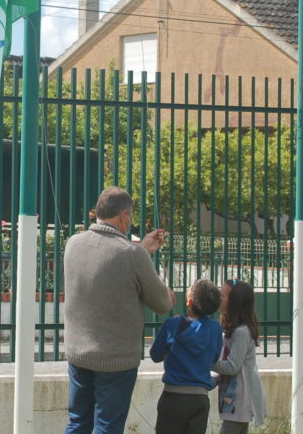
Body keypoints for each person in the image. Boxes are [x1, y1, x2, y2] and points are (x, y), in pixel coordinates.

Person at [62, 186, 175, 434]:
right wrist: (167, 291)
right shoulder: (131, 254)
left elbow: (106, 268)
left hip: (78, 353)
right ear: (124, 216)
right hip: (115, 360)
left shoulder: (73, 244)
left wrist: (142, 249)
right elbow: (162, 304)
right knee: (107, 427)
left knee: (78, 422)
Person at [149, 279, 224, 434]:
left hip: (173, 396)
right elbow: (215, 358)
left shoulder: (172, 325)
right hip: (200, 397)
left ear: (189, 302)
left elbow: (155, 355)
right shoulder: (216, 328)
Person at [212, 279, 268, 433]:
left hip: (240, 401)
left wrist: (207, 361)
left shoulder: (241, 332)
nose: (219, 298)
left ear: (235, 302)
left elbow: (231, 367)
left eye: (223, 295)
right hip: (233, 400)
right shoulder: (230, 329)